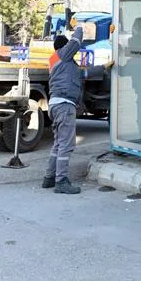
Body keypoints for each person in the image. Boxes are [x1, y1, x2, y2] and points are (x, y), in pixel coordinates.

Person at [42, 23, 113, 194]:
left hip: (56, 105)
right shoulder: (63, 55)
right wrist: (80, 26)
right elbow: (75, 42)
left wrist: (104, 67)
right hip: (64, 105)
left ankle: (49, 178)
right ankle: (61, 181)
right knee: (66, 145)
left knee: (58, 144)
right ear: (64, 47)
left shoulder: (60, 63)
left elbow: (84, 74)